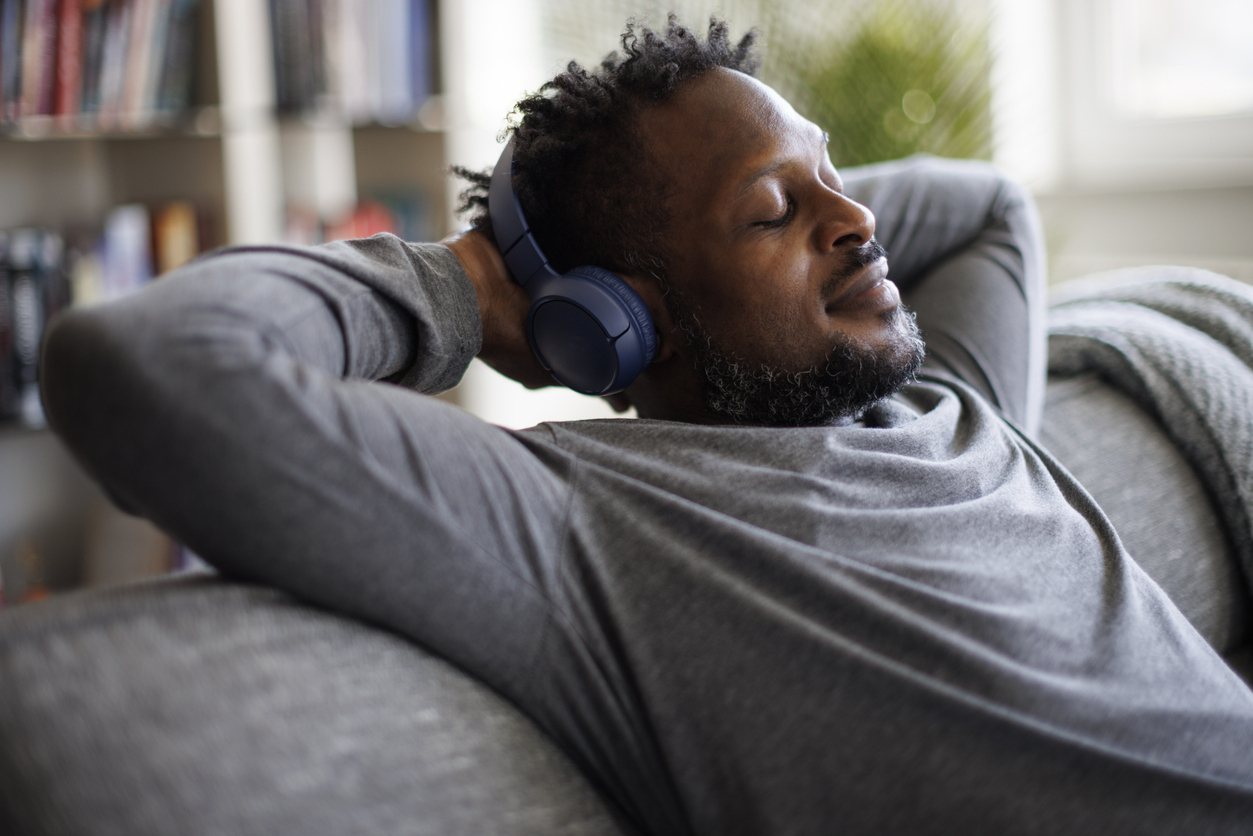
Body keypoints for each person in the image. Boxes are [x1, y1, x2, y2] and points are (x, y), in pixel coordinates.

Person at [40, 16, 1253, 836]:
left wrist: (791, 196)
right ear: (623, 323)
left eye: (832, 173)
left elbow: (983, 207)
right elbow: (138, 362)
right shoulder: (582, 529)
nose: (857, 220)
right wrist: (461, 282)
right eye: (776, 208)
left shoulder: (949, 400)